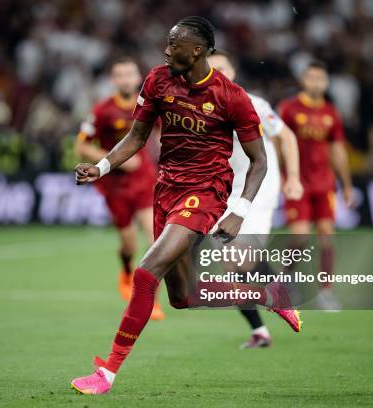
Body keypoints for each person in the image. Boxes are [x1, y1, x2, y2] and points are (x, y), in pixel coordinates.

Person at [71, 16, 301, 395]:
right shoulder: (158, 80)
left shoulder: (232, 97)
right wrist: (101, 167)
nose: (166, 49)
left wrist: (239, 211)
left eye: (173, 43)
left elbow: (260, 161)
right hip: (166, 190)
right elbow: (137, 136)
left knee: (146, 273)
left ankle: (107, 373)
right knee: (182, 298)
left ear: (196, 51)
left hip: (206, 192)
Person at [208, 50, 303, 348]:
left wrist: (295, 178)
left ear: (233, 71)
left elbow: (286, 137)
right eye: (211, 69)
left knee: (241, 252)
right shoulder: (202, 107)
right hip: (228, 190)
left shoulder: (254, 103)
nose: (218, 74)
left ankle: (280, 295)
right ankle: (260, 331)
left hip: (260, 185)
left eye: (222, 68)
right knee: (231, 267)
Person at [75, 57, 163, 320]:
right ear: (113, 80)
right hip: (115, 187)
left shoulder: (149, 106)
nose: (125, 79)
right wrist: (114, 159)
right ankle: (125, 270)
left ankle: (150, 301)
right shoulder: (102, 111)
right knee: (128, 244)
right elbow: (81, 146)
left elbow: (161, 135)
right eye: (120, 75)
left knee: (154, 239)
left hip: (145, 181)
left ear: (138, 78)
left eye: (130, 74)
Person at [278, 60, 354, 311]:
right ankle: (285, 279)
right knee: (300, 236)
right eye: (311, 77)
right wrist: (281, 176)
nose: (316, 82)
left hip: (324, 184)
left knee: (326, 236)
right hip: (298, 182)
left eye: (320, 78)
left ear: (326, 81)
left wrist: (347, 185)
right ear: (303, 80)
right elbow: (279, 145)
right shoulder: (289, 108)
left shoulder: (331, 112)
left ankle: (326, 292)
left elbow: (337, 150)